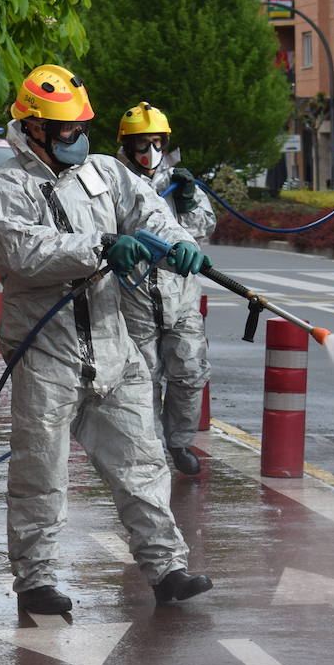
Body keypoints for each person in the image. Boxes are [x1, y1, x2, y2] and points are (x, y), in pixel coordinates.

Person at [0, 63, 215, 615]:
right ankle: (36, 581)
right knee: (41, 472)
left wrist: (176, 243)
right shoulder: (7, 188)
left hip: (113, 344)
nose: (77, 139)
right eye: (65, 130)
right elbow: (24, 254)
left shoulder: (105, 172)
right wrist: (102, 246)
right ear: (32, 128)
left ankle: (167, 569)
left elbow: (150, 212)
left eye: (81, 128)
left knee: (142, 461)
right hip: (46, 352)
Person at [115, 102, 216, 475]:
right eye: (141, 144)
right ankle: (151, 451)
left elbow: (201, 229)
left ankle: (179, 443)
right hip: (134, 298)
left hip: (182, 298)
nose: (149, 153)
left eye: (156, 143)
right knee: (142, 379)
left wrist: (188, 201)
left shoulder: (180, 183)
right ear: (126, 146)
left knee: (189, 373)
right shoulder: (115, 182)